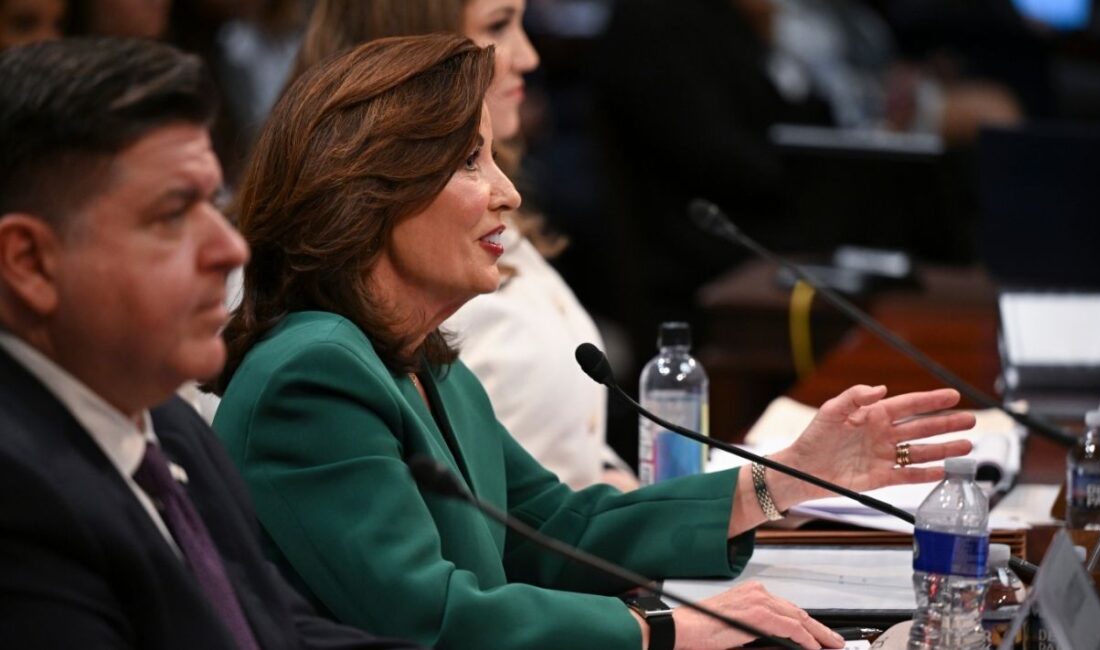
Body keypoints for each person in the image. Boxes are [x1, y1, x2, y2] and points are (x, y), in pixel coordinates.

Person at [212, 33, 977, 650]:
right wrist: (665, 630)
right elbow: (430, 622)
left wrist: (783, 479)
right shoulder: (310, 378)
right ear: (372, 188)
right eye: (468, 161)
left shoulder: (422, 364)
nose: (507, 192)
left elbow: (557, 531)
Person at [0, 37, 424, 650]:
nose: (230, 250)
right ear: (30, 261)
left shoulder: (170, 427)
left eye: (212, 204)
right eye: (174, 214)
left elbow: (274, 629)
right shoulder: (19, 499)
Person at [274, 0, 638, 490]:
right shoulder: (322, 362)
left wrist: (615, 479)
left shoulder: (434, 348)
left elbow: (547, 500)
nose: (528, 57)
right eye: (498, 25)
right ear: (415, 41)